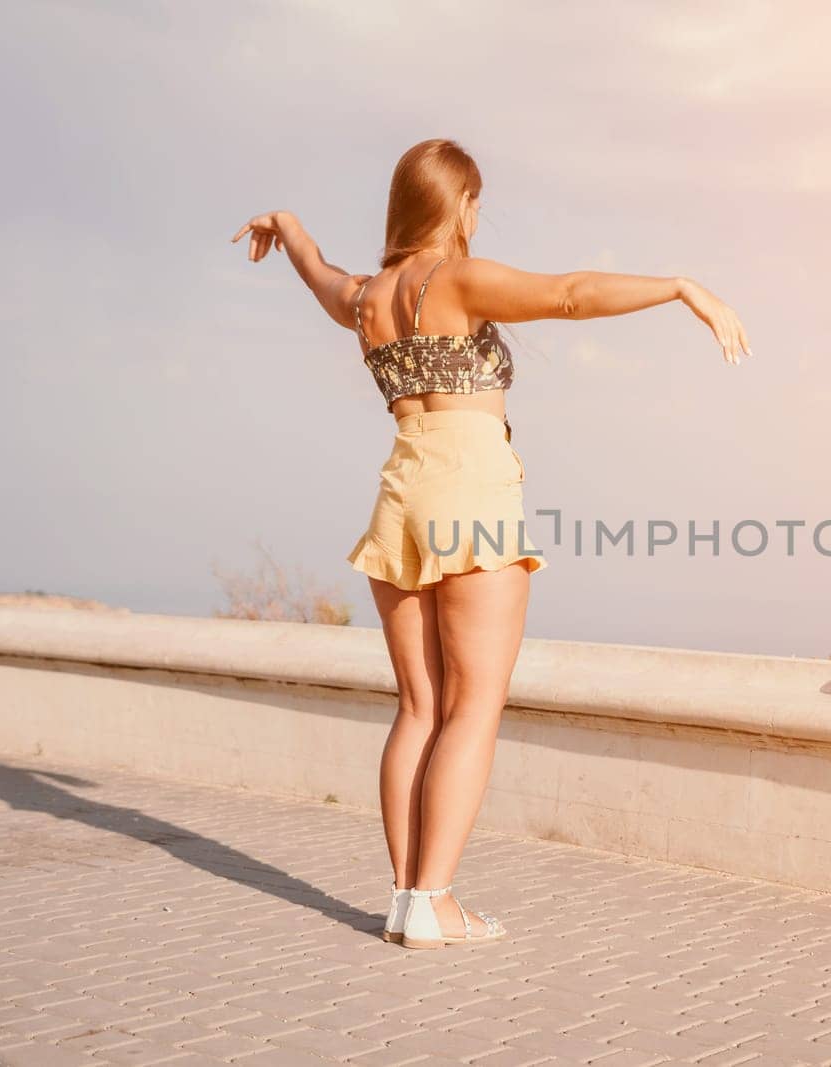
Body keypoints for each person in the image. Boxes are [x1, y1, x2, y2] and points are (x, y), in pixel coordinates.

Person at [230, 137, 752, 949]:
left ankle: (407, 897)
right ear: (459, 204)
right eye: (475, 202)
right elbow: (573, 295)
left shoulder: (368, 298)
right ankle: (435, 903)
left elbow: (320, 274)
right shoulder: (456, 277)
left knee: (419, 706)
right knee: (473, 706)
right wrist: (682, 288)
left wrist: (290, 227)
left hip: (400, 494)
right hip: (469, 492)